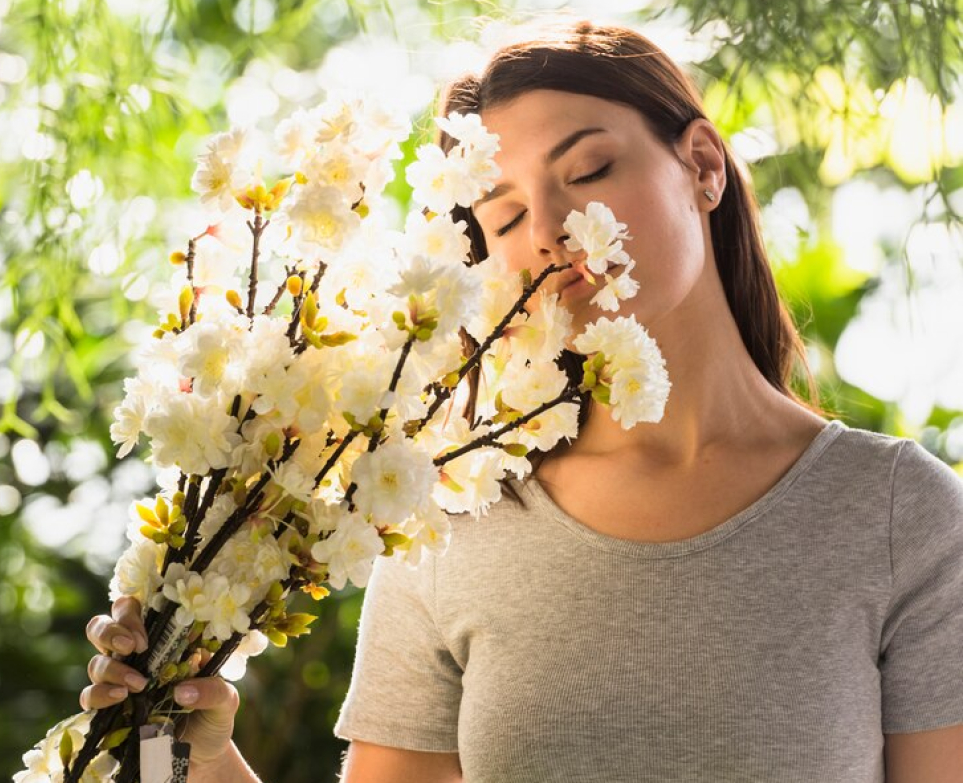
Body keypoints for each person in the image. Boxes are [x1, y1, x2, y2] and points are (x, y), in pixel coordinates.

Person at [80, 18, 963, 783]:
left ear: (701, 165)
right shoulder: (450, 517)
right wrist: (181, 748)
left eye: (588, 171)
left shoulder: (897, 517)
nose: (547, 233)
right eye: (502, 218)